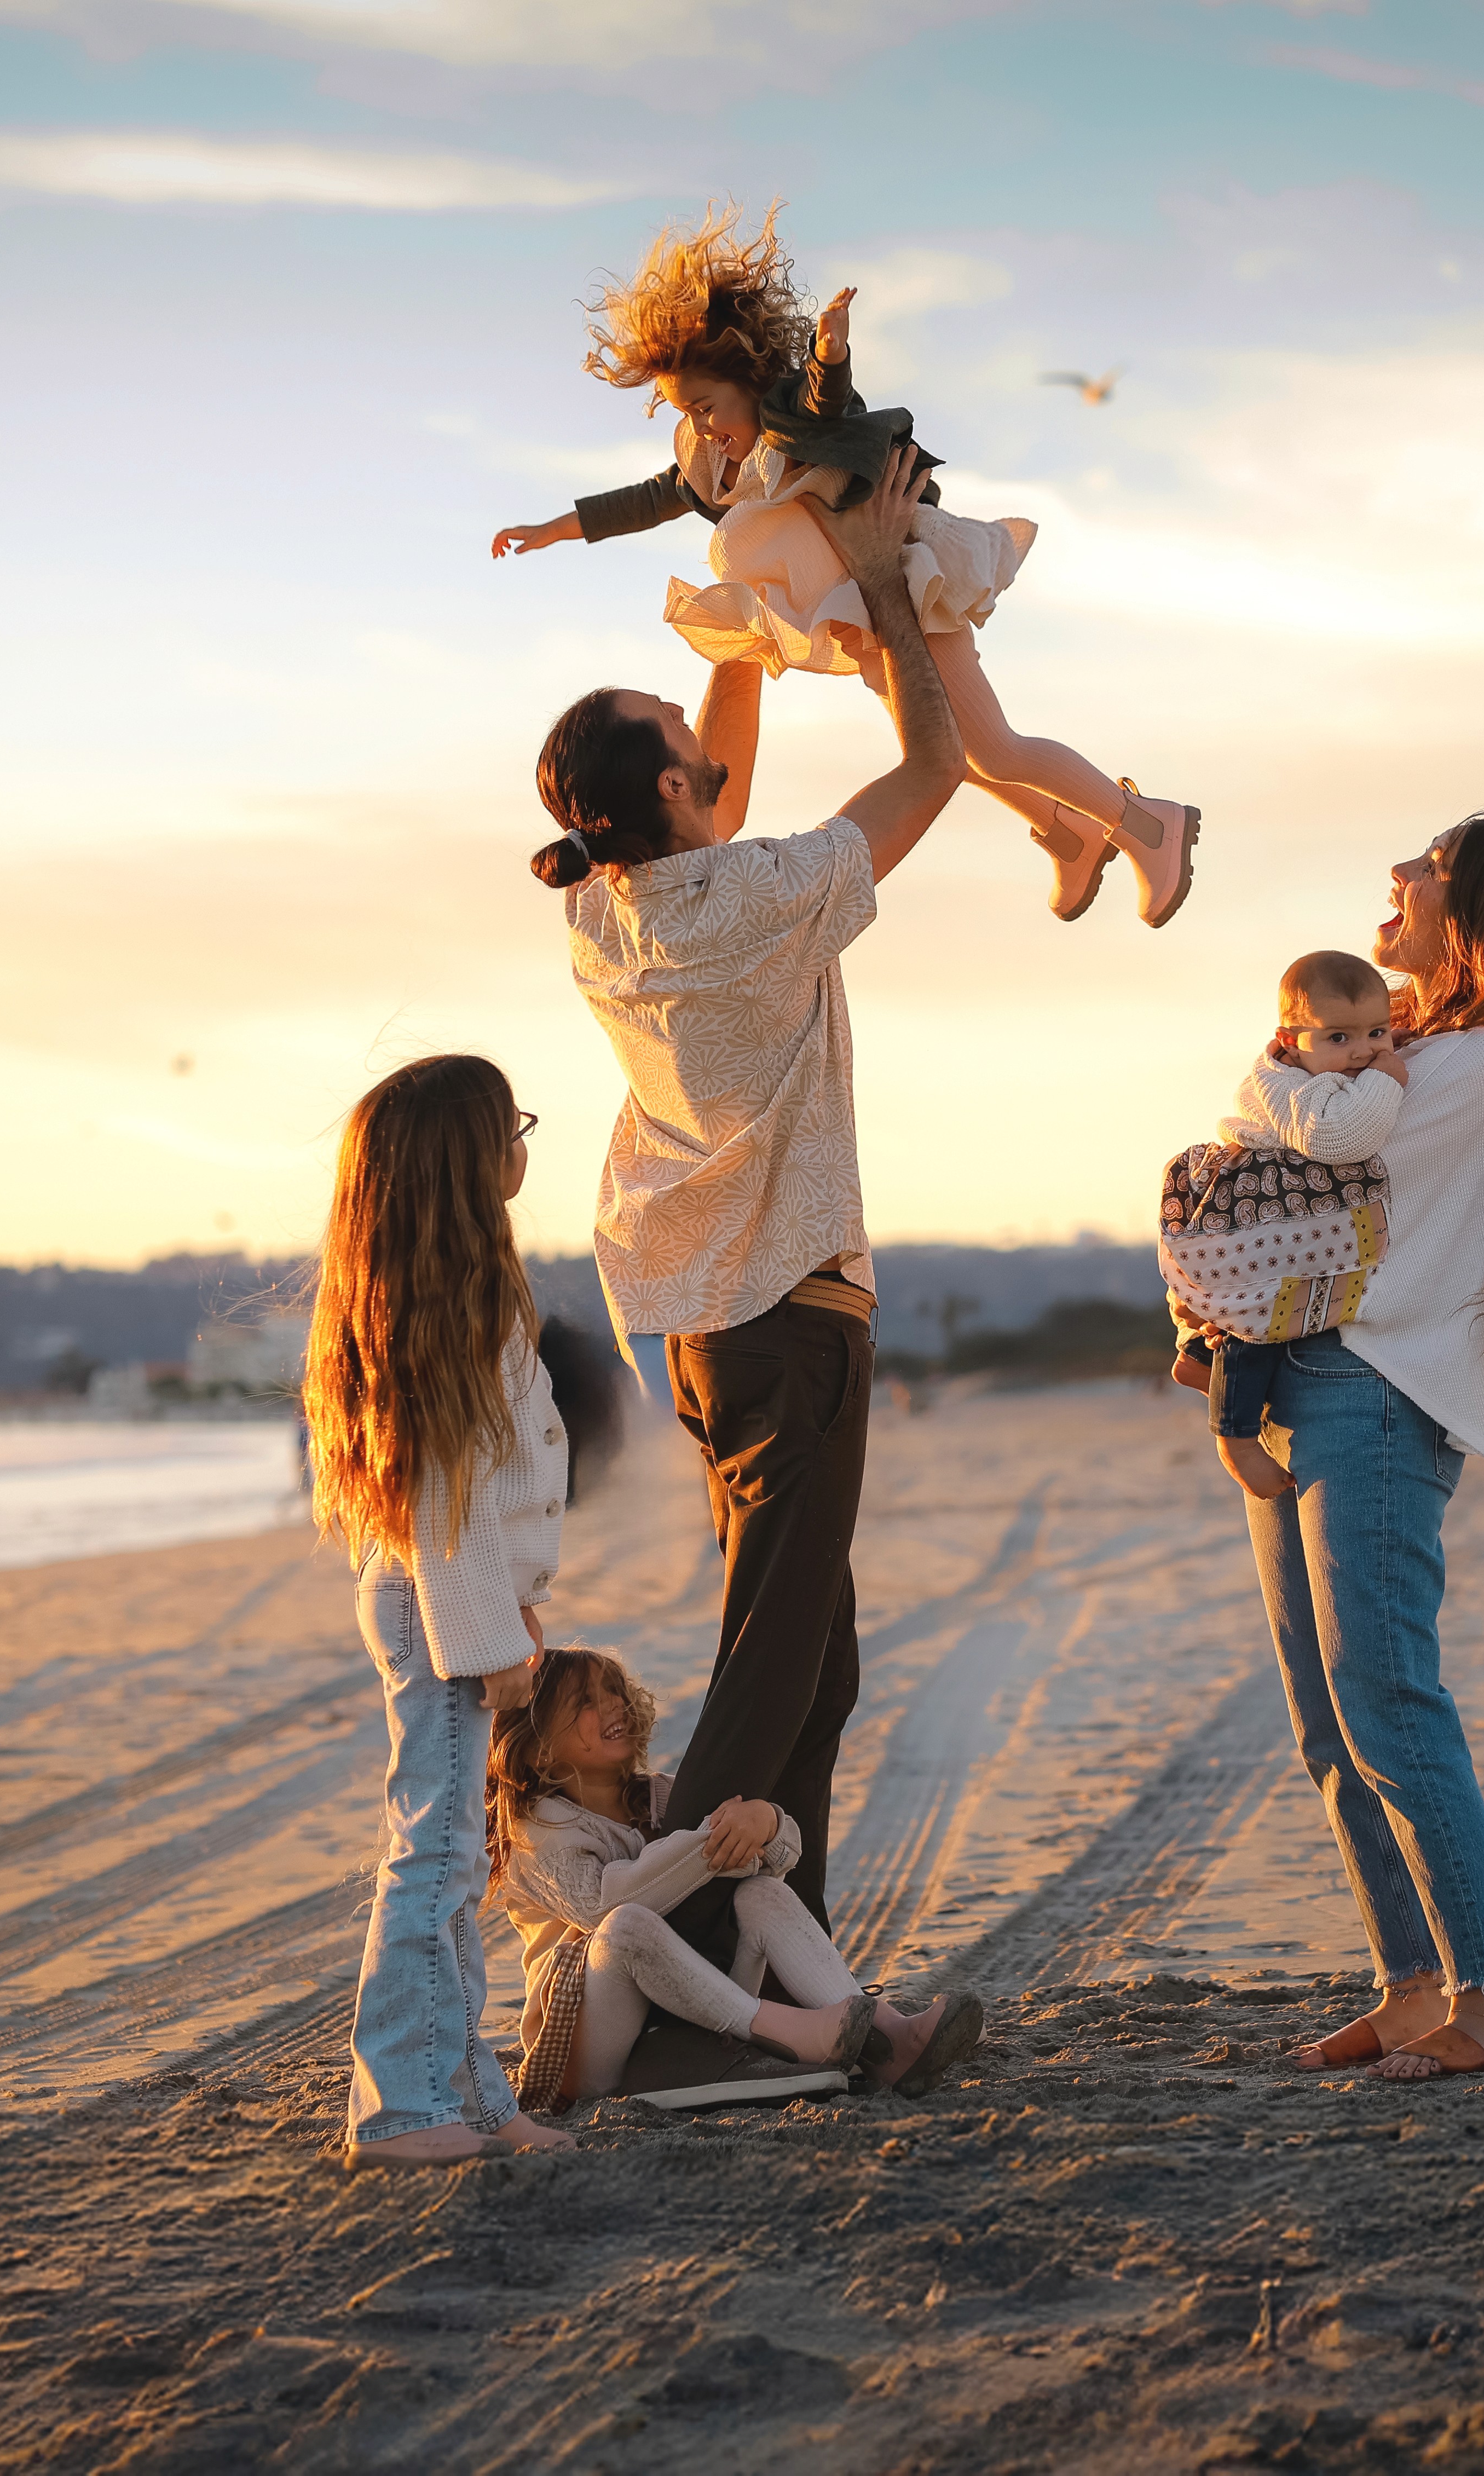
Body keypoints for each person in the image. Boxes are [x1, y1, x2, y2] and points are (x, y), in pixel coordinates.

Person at [526, 442, 953, 1970]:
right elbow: (932, 773)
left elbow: (715, 789)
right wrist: (891, 585)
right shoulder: (760, 896)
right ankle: (681, 1950)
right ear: (669, 792)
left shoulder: (604, 909)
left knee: (815, 1665)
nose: (708, 760)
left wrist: (745, 643)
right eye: (684, 746)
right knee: (776, 1665)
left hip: (704, 1331)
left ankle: (787, 1950)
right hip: (792, 1320)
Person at [1177, 815, 1484, 2083]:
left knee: (1389, 1703)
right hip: (1312, 1386)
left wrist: (1273, 1063)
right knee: (1327, 1723)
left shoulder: (1477, 1061)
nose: (1397, 877)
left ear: (1474, 911)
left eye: (1428, 868)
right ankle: (1409, 1984)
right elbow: (1282, 1143)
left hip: (1375, 1399)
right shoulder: (1422, 1054)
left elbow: (1283, 1133)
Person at [492, 203, 1199, 928]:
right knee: (951, 748)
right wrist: (557, 528)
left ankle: (1148, 825)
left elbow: (824, 399)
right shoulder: (718, 463)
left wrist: (830, 353)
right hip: (866, 613)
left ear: (744, 380)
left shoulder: (786, 417)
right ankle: (1068, 833)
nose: (702, 428)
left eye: (706, 406)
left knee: (990, 745)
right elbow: (651, 498)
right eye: (688, 415)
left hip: (906, 578)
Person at [301, 1054, 580, 2165]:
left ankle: (469, 2092)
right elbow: (443, 1506)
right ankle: (402, 2105)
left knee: (457, 1851)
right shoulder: (450, 1309)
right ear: (467, 1159)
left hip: (455, 1604)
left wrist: (508, 1614)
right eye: (509, 1123)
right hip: (445, 1609)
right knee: (437, 1856)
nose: (523, 1140)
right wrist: (493, 1643)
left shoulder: (451, 1292)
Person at [491, 1647, 987, 2108]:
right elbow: (601, 1905)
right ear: (536, 1750)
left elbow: (782, 1854)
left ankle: (893, 2039)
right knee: (625, 1927)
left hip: (686, 2009)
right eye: (585, 1702)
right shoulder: (539, 1829)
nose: (613, 1706)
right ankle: (798, 2035)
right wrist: (710, 1844)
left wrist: (766, 1823)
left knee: (761, 1891)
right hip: (588, 2049)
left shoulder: (661, 1795)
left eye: (614, 1691)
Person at [1158, 951, 1406, 1500]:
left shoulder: (1309, 1069)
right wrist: (1386, 1082)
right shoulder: (1296, 1085)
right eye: (1338, 1037)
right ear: (1291, 1039)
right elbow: (1338, 1139)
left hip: (1269, 1204)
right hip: (1251, 1203)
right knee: (1263, 1316)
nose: (1363, 1050)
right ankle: (1237, 1438)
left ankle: (1200, 1358)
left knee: (1266, 1306)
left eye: (1376, 1031)